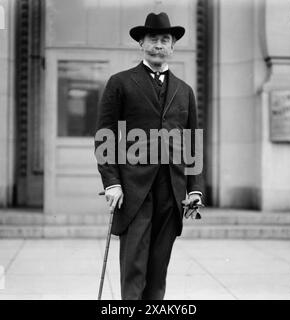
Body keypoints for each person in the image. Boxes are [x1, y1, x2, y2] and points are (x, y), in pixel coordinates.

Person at [94, 12, 204, 300]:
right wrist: (112, 182)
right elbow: (105, 135)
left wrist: (194, 188)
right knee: (134, 271)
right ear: (141, 43)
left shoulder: (185, 91)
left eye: (165, 40)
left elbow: (192, 142)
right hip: (133, 191)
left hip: (171, 190)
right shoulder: (120, 83)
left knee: (158, 273)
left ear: (173, 46)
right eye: (153, 39)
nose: (159, 45)